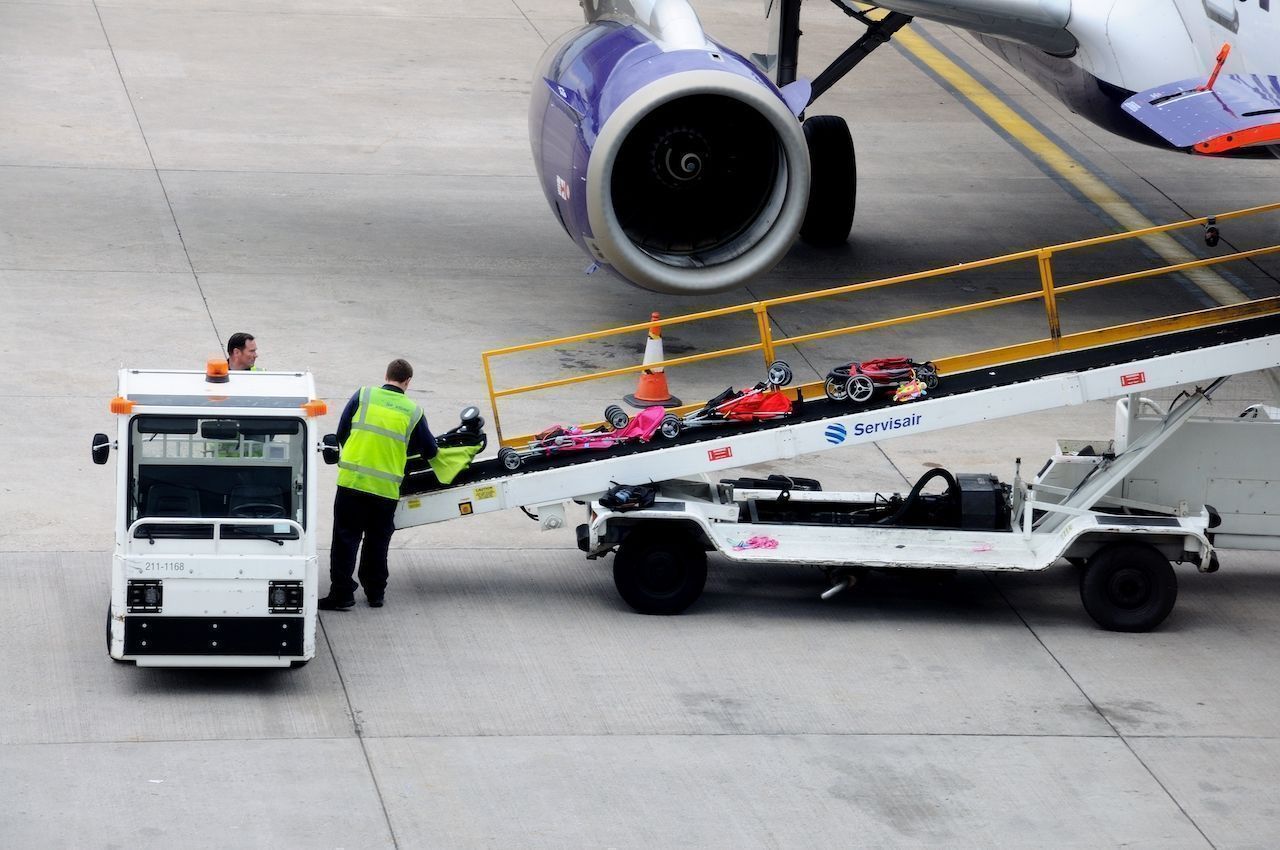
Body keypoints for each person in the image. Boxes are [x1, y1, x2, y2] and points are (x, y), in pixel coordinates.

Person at [319, 358, 437, 610]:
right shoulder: (413, 411)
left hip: (353, 481)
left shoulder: (363, 395)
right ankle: (375, 593)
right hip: (385, 490)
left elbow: (341, 433)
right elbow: (430, 449)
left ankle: (342, 594)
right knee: (377, 542)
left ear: (386, 376)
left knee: (345, 539)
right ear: (408, 382)